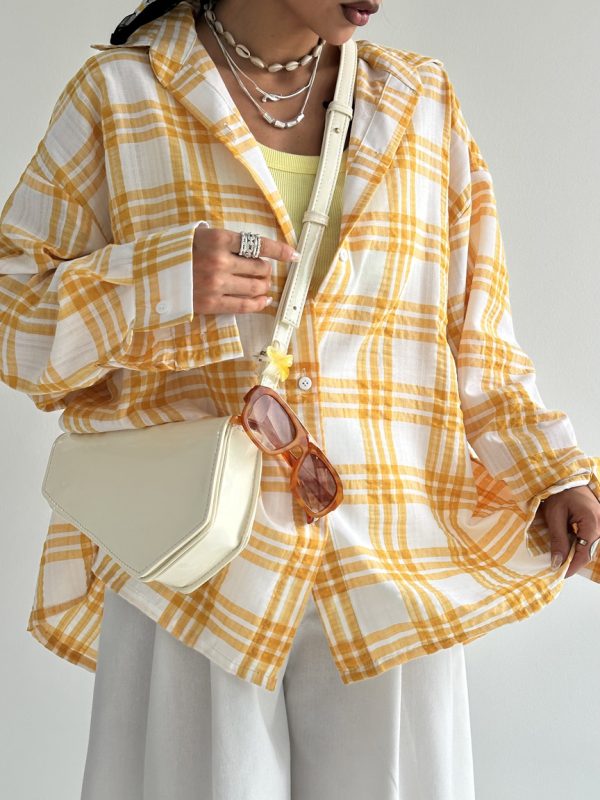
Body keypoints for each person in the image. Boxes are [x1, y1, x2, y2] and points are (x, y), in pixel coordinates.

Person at [1, 0, 599, 797]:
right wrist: (160, 279)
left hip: (389, 552)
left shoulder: (418, 101)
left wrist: (550, 470)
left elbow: (475, 333)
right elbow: (16, 326)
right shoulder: (119, 94)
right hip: (195, 561)